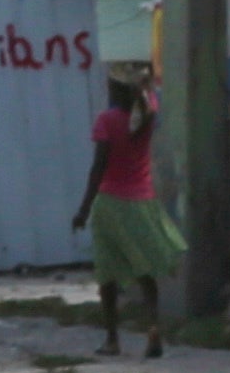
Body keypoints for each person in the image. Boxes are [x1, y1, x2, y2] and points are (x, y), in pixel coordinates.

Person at [70, 65, 179, 355]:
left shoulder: (107, 121)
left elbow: (98, 169)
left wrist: (83, 209)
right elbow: (150, 95)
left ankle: (112, 340)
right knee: (145, 273)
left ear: (115, 90)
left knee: (107, 276)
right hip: (144, 202)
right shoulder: (146, 116)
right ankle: (153, 328)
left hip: (111, 204)